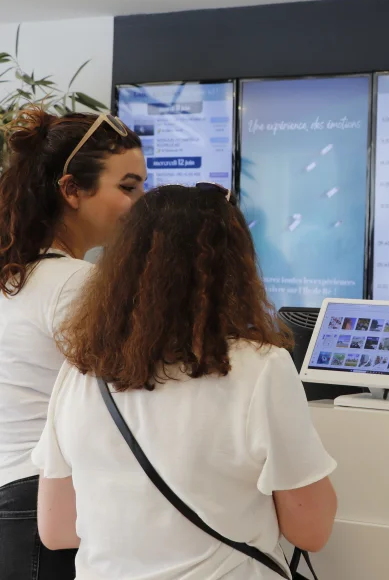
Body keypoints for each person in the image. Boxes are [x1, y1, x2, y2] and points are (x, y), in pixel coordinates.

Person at [32, 184, 338, 579]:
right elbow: (311, 531)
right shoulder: (261, 368)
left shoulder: (81, 373)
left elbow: (56, 530)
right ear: (236, 266)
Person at [0, 107, 145, 580]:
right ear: (71, 190)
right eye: (127, 187)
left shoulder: (17, 276)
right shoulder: (75, 282)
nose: (140, 203)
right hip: (41, 498)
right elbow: (133, 385)